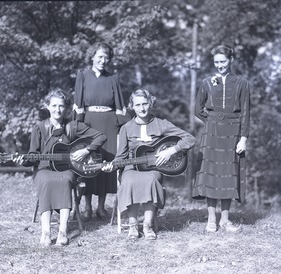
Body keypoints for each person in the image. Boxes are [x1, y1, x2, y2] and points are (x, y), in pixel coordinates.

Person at [14, 89, 106, 246]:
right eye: (54, 106)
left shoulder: (73, 126)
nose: (57, 110)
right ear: (47, 107)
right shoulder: (39, 128)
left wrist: (86, 150)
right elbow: (32, 155)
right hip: (43, 169)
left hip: (67, 169)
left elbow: (101, 136)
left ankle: (63, 231)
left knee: (64, 181)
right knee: (46, 181)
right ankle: (46, 232)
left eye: (61, 106)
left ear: (66, 108)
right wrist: (22, 160)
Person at [103, 89, 196, 240]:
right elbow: (120, 156)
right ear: (132, 106)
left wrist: (171, 151)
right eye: (138, 105)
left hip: (155, 168)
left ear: (150, 103)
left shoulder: (161, 124)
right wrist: (111, 166)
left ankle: (147, 225)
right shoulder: (126, 128)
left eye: (145, 104)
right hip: (131, 167)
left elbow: (190, 139)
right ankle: (133, 225)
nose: (142, 108)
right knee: (128, 181)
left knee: (151, 180)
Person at [192, 45, 251, 232]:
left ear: (231, 60)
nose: (220, 65)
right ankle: (211, 219)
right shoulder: (207, 82)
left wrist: (243, 138)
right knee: (210, 174)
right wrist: (211, 121)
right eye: (216, 62)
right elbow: (197, 109)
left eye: (223, 61)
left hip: (233, 133)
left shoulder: (242, 83)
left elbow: (246, 113)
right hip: (212, 132)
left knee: (227, 175)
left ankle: (225, 220)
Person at [73, 42, 129, 220]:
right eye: (100, 57)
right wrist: (77, 128)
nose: (103, 61)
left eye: (106, 57)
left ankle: (101, 207)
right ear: (92, 57)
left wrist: (124, 129)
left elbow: (120, 106)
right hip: (89, 124)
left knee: (107, 163)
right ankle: (88, 207)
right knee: (89, 162)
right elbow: (79, 104)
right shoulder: (82, 76)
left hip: (109, 124)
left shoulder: (113, 78)